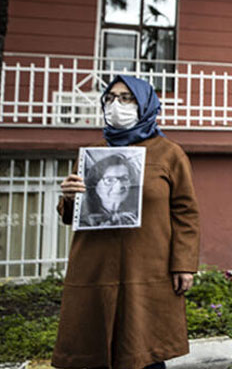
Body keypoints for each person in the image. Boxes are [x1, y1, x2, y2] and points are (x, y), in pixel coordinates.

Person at [53, 75, 200, 369]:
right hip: (95, 266)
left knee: (143, 349)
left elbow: (185, 212)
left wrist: (183, 263)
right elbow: (71, 215)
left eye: (126, 98)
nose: (116, 105)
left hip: (147, 266)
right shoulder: (93, 154)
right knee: (93, 347)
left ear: (145, 104)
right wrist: (69, 196)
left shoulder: (169, 153)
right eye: (110, 98)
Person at [79, 153, 139, 228]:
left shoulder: (138, 213)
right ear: (95, 184)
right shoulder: (83, 216)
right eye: (109, 180)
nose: (119, 185)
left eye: (124, 178)